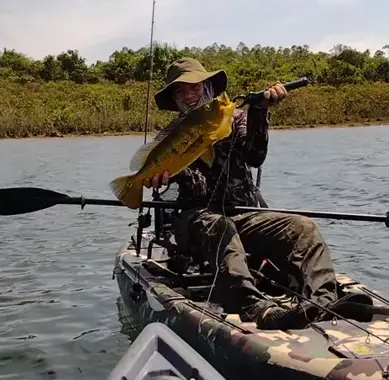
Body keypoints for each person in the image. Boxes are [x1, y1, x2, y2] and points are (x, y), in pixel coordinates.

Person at [144, 58, 342, 330]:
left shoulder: (235, 117)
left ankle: (324, 302)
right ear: (174, 98)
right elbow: (189, 184)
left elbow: (255, 156)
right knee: (220, 225)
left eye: (195, 87)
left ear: (207, 87)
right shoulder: (170, 137)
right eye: (181, 91)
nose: (189, 95)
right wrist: (157, 178)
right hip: (198, 221)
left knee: (303, 227)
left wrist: (259, 111)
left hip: (244, 215)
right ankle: (254, 307)